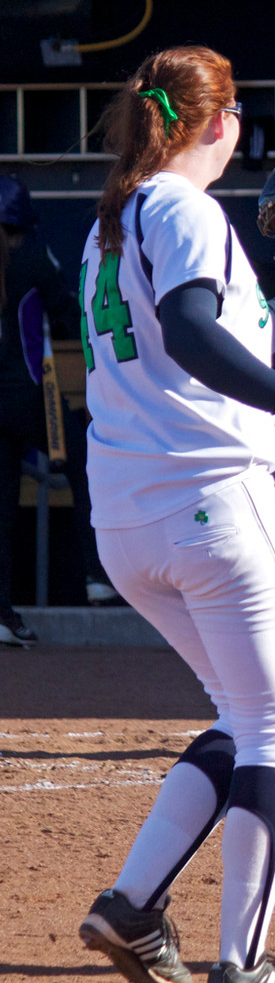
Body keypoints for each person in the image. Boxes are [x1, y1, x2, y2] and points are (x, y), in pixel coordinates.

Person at [76, 45, 275, 983]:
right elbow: (197, 333)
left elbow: (221, 330)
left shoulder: (112, 218)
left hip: (128, 519)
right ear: (219, 122)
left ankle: (128, 909)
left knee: (242, 717)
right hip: (210, 501)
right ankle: (245, 962)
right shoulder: (186, 207)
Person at [0, 175, 119, 647]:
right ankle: (97, 576)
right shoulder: (33, 256)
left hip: (13, 399)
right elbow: (70, 314)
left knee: (2, 509)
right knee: (87, 465)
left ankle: (2, 613)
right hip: (29, 396)